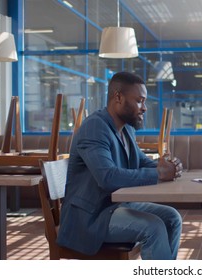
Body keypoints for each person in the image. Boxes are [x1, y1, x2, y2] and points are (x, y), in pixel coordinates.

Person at [57, 72, 183, 260]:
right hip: (90, 217)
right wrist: (159, 173)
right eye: (139, 101)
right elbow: (107, 177)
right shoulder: (95, 128)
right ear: (118, 97)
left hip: (114, 207)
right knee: (154, 227)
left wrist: (168, 166)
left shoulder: (125, 129)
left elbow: (141, 161)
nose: (144, 108)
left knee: (172, 218)